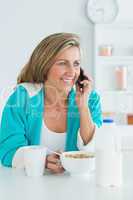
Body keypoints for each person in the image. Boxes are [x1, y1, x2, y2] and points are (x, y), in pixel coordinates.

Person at [0, 33, 102, 174]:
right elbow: (8, 151)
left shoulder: (90, 99)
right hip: (29, 188)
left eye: (76, 64)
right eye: (62, 63)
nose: (72, 72)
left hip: (77, 186)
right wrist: (42, 160)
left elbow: (94, 150)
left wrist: (83, 105)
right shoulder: (23, 97)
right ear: (44, 65)